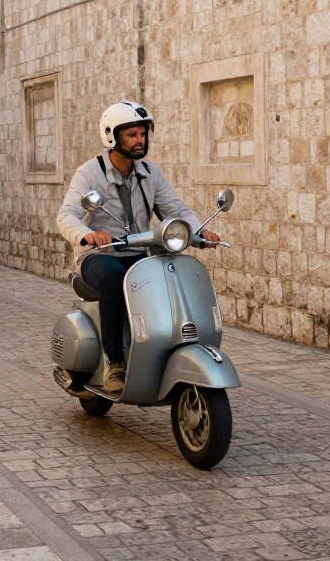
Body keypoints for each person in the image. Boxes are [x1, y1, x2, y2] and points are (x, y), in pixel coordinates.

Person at [56, 102, 220, 394]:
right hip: (98, 258)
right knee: (114, 275)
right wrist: (87, 234)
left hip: (140, 254)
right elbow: (66, 215)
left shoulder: (150, 173)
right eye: (132, 135)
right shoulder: (89, 173)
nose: (139, 140)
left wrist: (198, 232)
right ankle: (115, 363)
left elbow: (174, 209)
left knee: (172, 272)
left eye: (142, 134)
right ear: (112, 137)